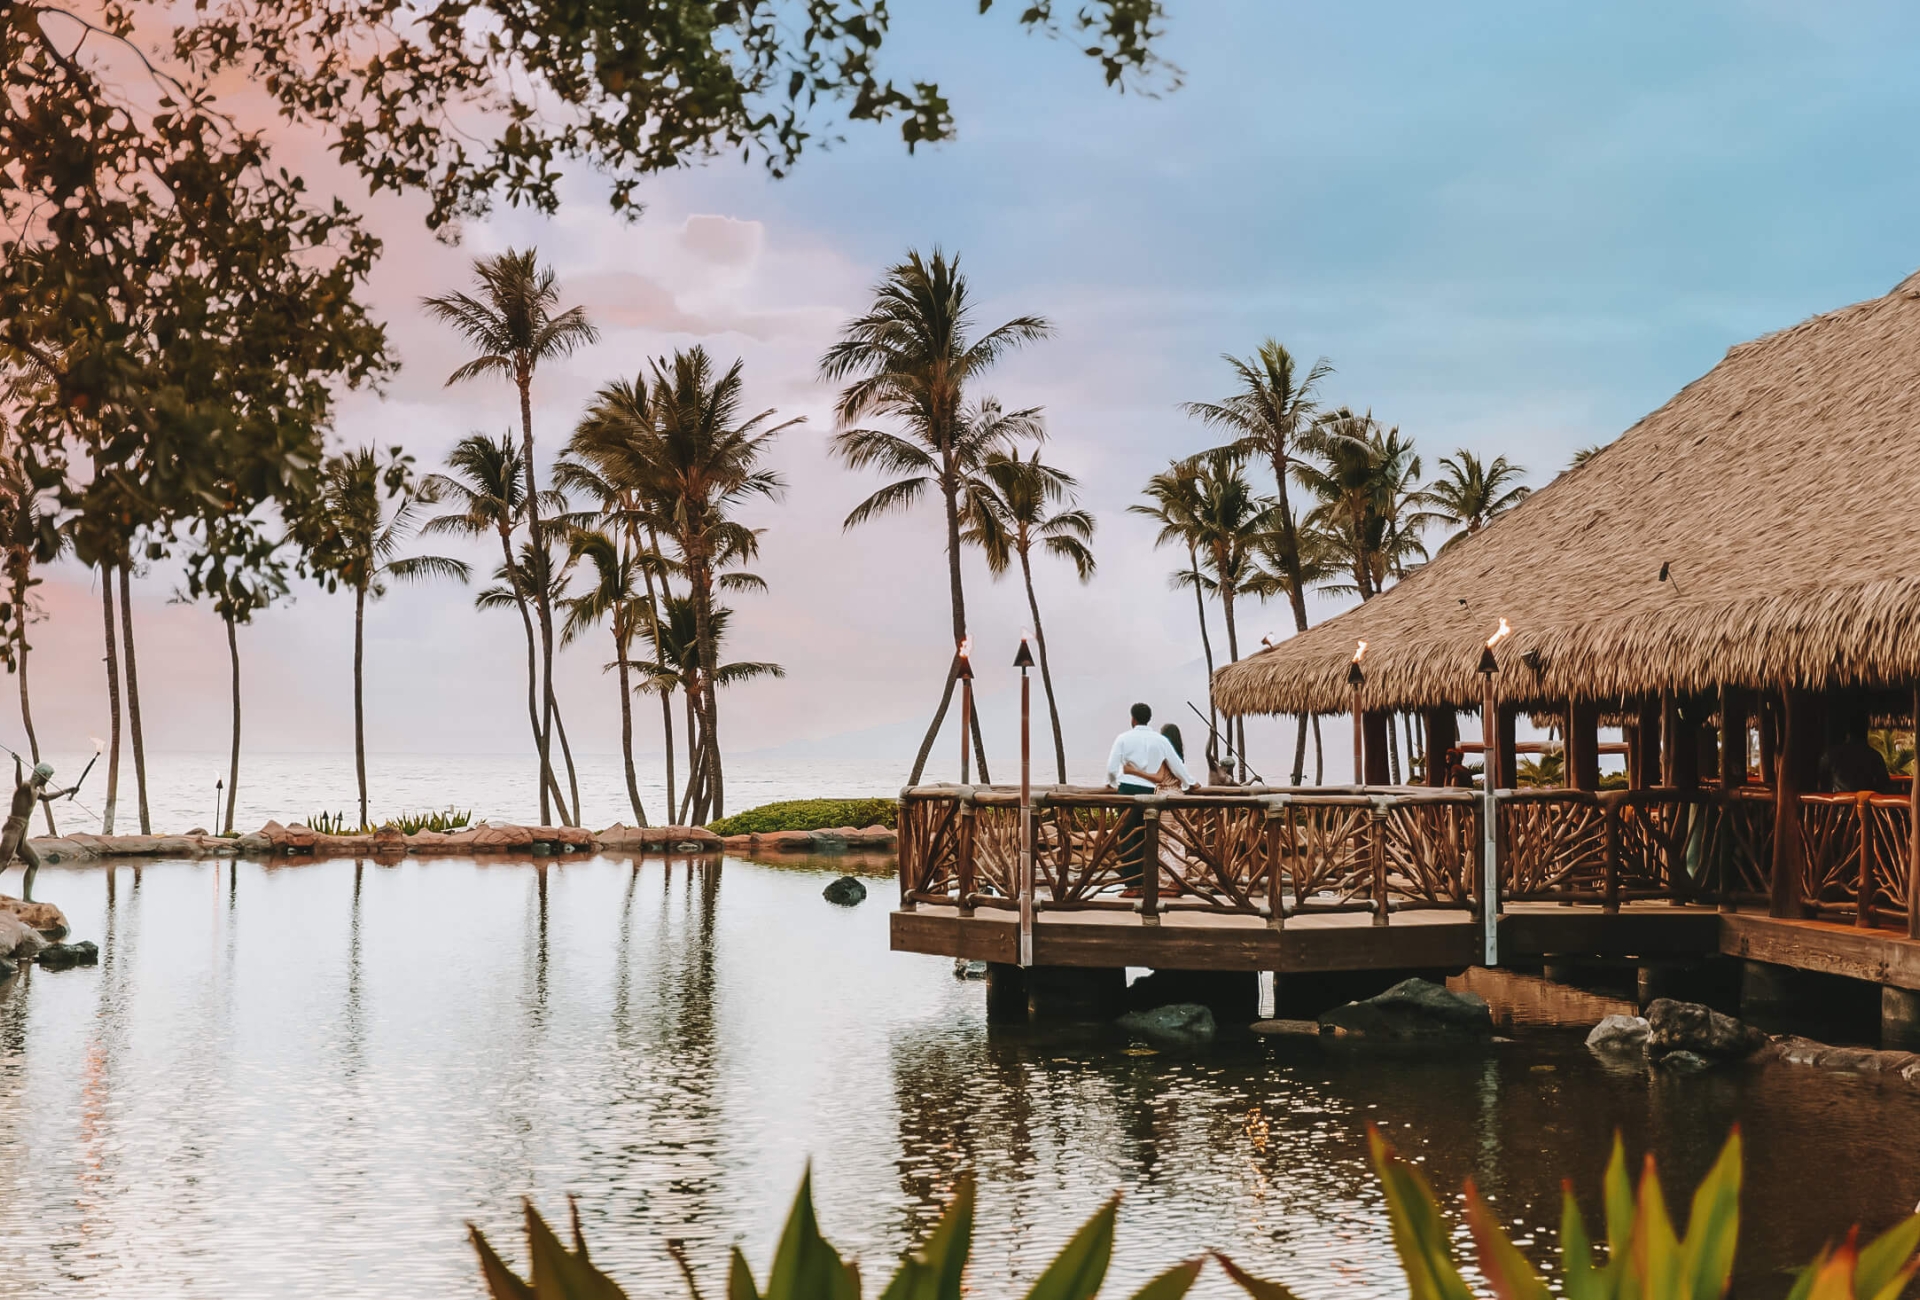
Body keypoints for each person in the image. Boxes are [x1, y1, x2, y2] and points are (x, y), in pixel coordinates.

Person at [1107, 704, 1196, 890]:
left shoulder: (1123, 738)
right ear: (1149, 718)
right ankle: (1148, 880)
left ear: (1133, 719)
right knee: (1146, 836)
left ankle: (1133, 885)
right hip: (1151, 794)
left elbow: (1112, 767)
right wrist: (1190, 783)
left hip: (1127, 792)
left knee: (1126, 836)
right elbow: (1176, 764)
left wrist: (1112, 784)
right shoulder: (1160, 740)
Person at [2, 760, 75, 903]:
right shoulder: (26, 786)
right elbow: (18, 782)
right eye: (47, 777)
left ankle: (27, 897)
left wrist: (67, 790)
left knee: (35, 861)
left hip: (22, 830)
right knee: (3, 862)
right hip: (13, 827)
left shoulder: (36, 791)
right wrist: (18, 763)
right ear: (41, 775)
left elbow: (47, 797)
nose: (48, 780)